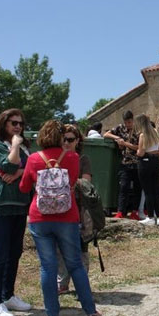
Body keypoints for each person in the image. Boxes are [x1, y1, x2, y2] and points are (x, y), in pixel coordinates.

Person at [19, 120, 100, 316]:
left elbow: (23, 187)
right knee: (75, 264)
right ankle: (90, 310)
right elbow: (74, 182)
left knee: (48, 267)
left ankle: (52, 314)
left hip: (40, 218)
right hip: (67, 216)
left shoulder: (34, 159)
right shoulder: (72, 157)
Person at [0, 109, 32, 316]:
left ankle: (8, 295)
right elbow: (8, 165)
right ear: (4, 124)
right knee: (1, 255)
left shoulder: (25, 148)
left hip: (20, 205)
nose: (18, 127)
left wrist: (21, 171)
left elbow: (31, 168)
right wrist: (14, 146)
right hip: (1, 206)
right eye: (13, 123)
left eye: (20, 123)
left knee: (15, 253)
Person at [57, 124, 93, 294]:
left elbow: (86, 183)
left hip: (78, 209)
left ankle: (82, 286)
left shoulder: (82, 159)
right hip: (58, 209)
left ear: (77, 141)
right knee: (60, 248)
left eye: (70, 139)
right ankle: (62, 283)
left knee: (81, 248)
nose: (66, 142)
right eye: (64, 139)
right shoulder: (56, 158)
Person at [104, 111, 140, 220]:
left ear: (133, 120)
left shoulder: (139, 130)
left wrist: (125, 144)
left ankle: (135, 211)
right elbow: (105, 134)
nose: (128, 124)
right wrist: (117, 138)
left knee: (137, 189)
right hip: (125, 163)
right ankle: (121, 211)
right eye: (126, 122)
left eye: (129, 122)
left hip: (137, 163)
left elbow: (139, 147)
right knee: (123, 187)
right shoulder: (120, 128)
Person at [135, 114, 159, 226]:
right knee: (156, 189)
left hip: (145, 163)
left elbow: (141, 152)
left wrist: (139, 152)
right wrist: (153, 153)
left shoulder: (143, 135)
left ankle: (151, 216)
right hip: (155, 162)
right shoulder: (156, 133)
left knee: (148, 191)